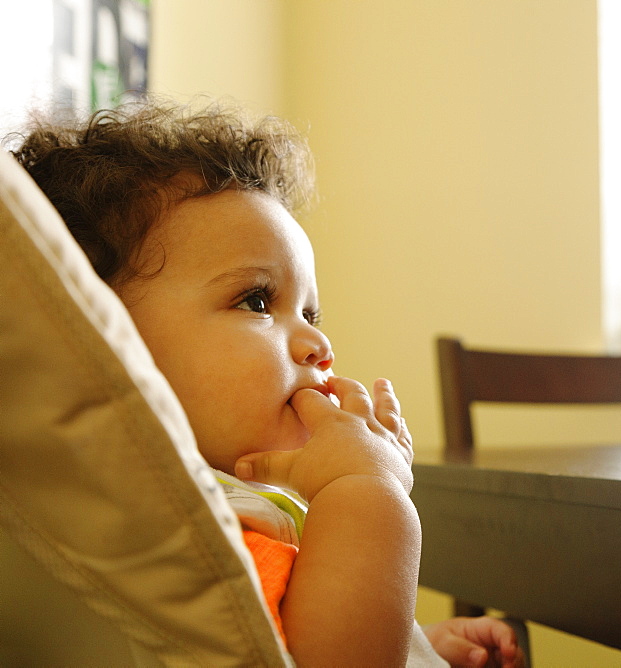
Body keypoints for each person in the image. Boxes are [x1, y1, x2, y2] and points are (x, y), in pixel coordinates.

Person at [8, 99, 524, 668]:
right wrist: (370, 488)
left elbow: (290, 636)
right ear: (112, 339)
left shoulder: (251, 502)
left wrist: (417, 642)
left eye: (312, 314)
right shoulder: (191, 527)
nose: (319, 346)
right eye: (257, 299)